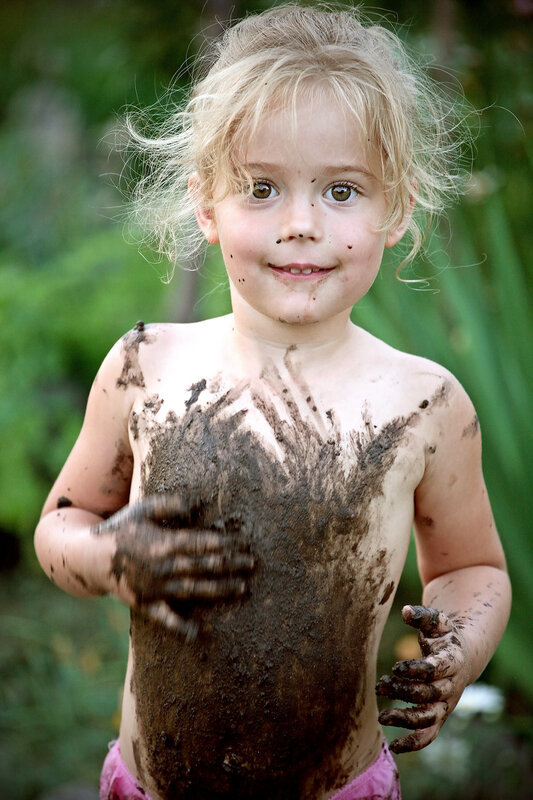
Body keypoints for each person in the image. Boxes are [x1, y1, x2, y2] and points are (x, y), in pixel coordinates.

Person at [34, 4, 511, 799]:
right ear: (205, 205)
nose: (299, 224)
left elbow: (470, 566)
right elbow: (63, 524)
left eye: (340, 190)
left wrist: (456, 649)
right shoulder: (147, 364)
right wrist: (108, 556)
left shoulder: (424, 403)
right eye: (261, 188)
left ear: (393, 208)